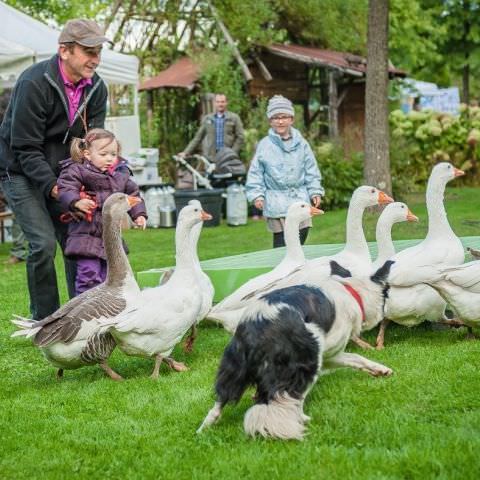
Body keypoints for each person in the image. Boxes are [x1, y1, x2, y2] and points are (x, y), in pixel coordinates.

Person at [0, 19, 110, 319]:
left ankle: (80, 315)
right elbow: (24, 147)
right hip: (19, 171)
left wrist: (90, 180)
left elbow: (93, 142)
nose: (95, 59)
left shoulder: (97, 87)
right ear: (64, 51)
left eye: (98, 51)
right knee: (43, 244)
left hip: (62, 172)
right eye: (89, 51)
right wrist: (57, 189)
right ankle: (45, 320)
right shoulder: (33, 82)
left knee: (77, 237)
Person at [57, 128, 146, 295]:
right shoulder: (77, 170)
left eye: (113, 154)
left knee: (111, 278)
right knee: (89, 277)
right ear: (87, 154)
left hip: (111, 239)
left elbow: (132, 194)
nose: (110, 159)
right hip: (86, 236)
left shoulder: (120, 174)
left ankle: (106, 313)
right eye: (104, 154)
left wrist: (139, 214)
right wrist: (76, 202)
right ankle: (84, 313)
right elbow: (66, 187)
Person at [245, 95, 324, 248]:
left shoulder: (302, 144)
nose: (280, 121)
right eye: (276, 117)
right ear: (270, 121)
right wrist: (257, 195)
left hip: (299, 198)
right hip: (276, 201)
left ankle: (296, 268)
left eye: (284, 117)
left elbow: (311, 170)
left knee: (301, 237)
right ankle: (281, 269)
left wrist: (315, 191)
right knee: (281, 245)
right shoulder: (265, 145)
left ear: (291, 119)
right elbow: (256, 173)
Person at [179, 93, 245, 160]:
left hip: (227, 156)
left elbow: (240, 137)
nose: (220, 104)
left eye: (222, 102)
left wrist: (233, 152)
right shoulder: (208, 118)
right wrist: (186, 152)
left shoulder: (234, 118)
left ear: (226, 103)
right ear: (214, 103)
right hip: (211, 157)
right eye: (218, 102)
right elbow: (198, 137)